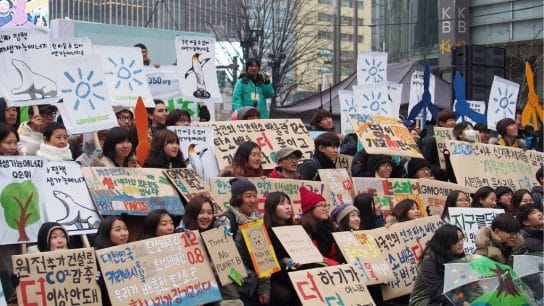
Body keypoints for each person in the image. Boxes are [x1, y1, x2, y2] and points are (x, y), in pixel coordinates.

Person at [214, 177, 270, 305]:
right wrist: (242, 280)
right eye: (248, 196)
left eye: (255, 196)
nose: (252, 200)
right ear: (238, 198)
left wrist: (265, 288)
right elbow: (222, 260)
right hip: (235, 288)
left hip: (254, 287)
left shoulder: (259, 220)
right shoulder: (226, 221)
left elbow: (266, 257)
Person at [409, 224, 465, 306]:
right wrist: (461, 302)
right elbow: (438, 292)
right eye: (455, 241)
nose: (461, 243)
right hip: (424, 299)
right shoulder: (429, 262)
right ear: (446, 243)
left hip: (448, 295)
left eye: (461, 238)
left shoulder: (458, 254)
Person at [263, 192, 301, 306]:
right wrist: (286, 262)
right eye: (282, 204)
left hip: (295, 272)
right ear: (272, 208)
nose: (288, 206)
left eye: (288, 203)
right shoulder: (265, 232)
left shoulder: (296, 229)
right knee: (285, 296)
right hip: (275, 278)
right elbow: (268, 265)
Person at [93, 216, 129, 306]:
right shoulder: (95, 258)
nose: (124, 233)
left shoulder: (131, 253)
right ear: (106, 233)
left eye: (125, 229)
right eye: (118, 230)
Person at [299, 185, 339, 265]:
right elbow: (313, 258)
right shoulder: (304, 230)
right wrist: (333, 264)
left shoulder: (331, 226)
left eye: (326, 205)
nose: (325, 208)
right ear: (310, 210)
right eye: (321, 206)